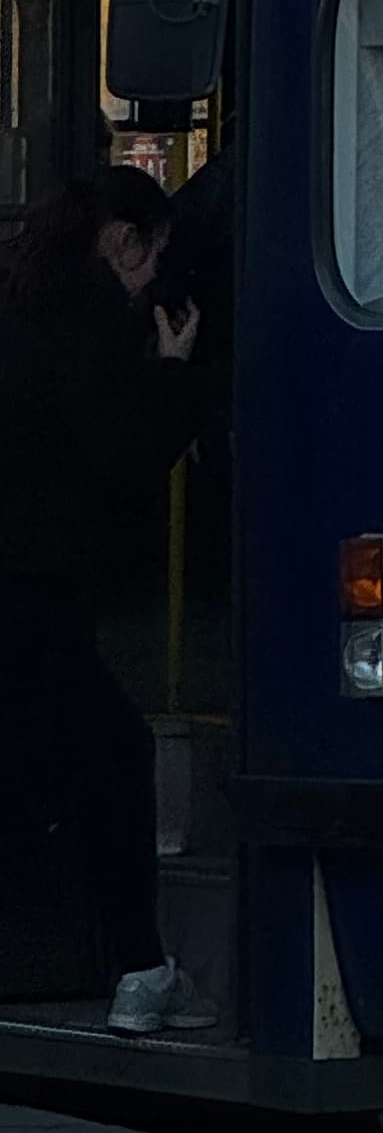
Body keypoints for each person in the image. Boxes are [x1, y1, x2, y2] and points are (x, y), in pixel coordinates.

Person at [0, 166, 217, 1035]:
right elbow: (122, 458)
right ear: (121, 241)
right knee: (113, 758)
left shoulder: (17, 301)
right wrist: (173, 375)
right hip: (38, 585)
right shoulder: (90, 324)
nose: (153, 277)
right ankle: (139, 968)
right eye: (151, 253)